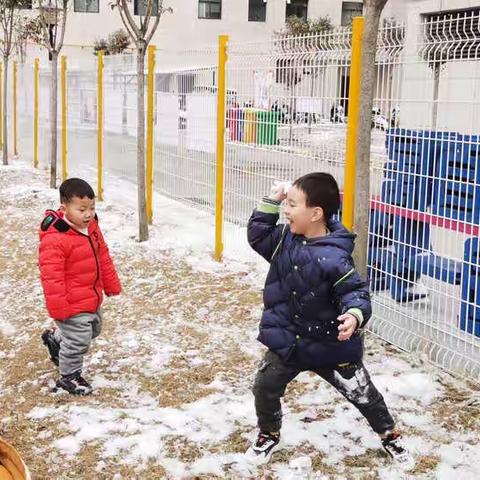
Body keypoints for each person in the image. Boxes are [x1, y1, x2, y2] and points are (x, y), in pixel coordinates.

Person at [246, 173, 414, 470]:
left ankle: (389, 434)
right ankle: (268, 433)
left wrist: (354, 315)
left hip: (330, 345)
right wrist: (272, 199)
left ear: (315, 213)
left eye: (292, 204)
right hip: (289, 341)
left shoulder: (336, 257)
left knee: (364, 395)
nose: (286, 209)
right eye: (286, 203)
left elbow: (355, 292)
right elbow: (257, 235)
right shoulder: (285, 239)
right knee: (264, 386)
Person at [39, 178, 121, 395]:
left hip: (90, 295)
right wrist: (59, 309)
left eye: (92, 208)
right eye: (82, 209)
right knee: (79, 339)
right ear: (65, 208)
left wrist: (111, 284)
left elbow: (102, 255)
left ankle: (56, 339)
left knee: (94, 329)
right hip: (70, 301)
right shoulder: (56, 239)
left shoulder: (92, 226)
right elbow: (51, 278)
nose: (88, 214)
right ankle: (69, 376)